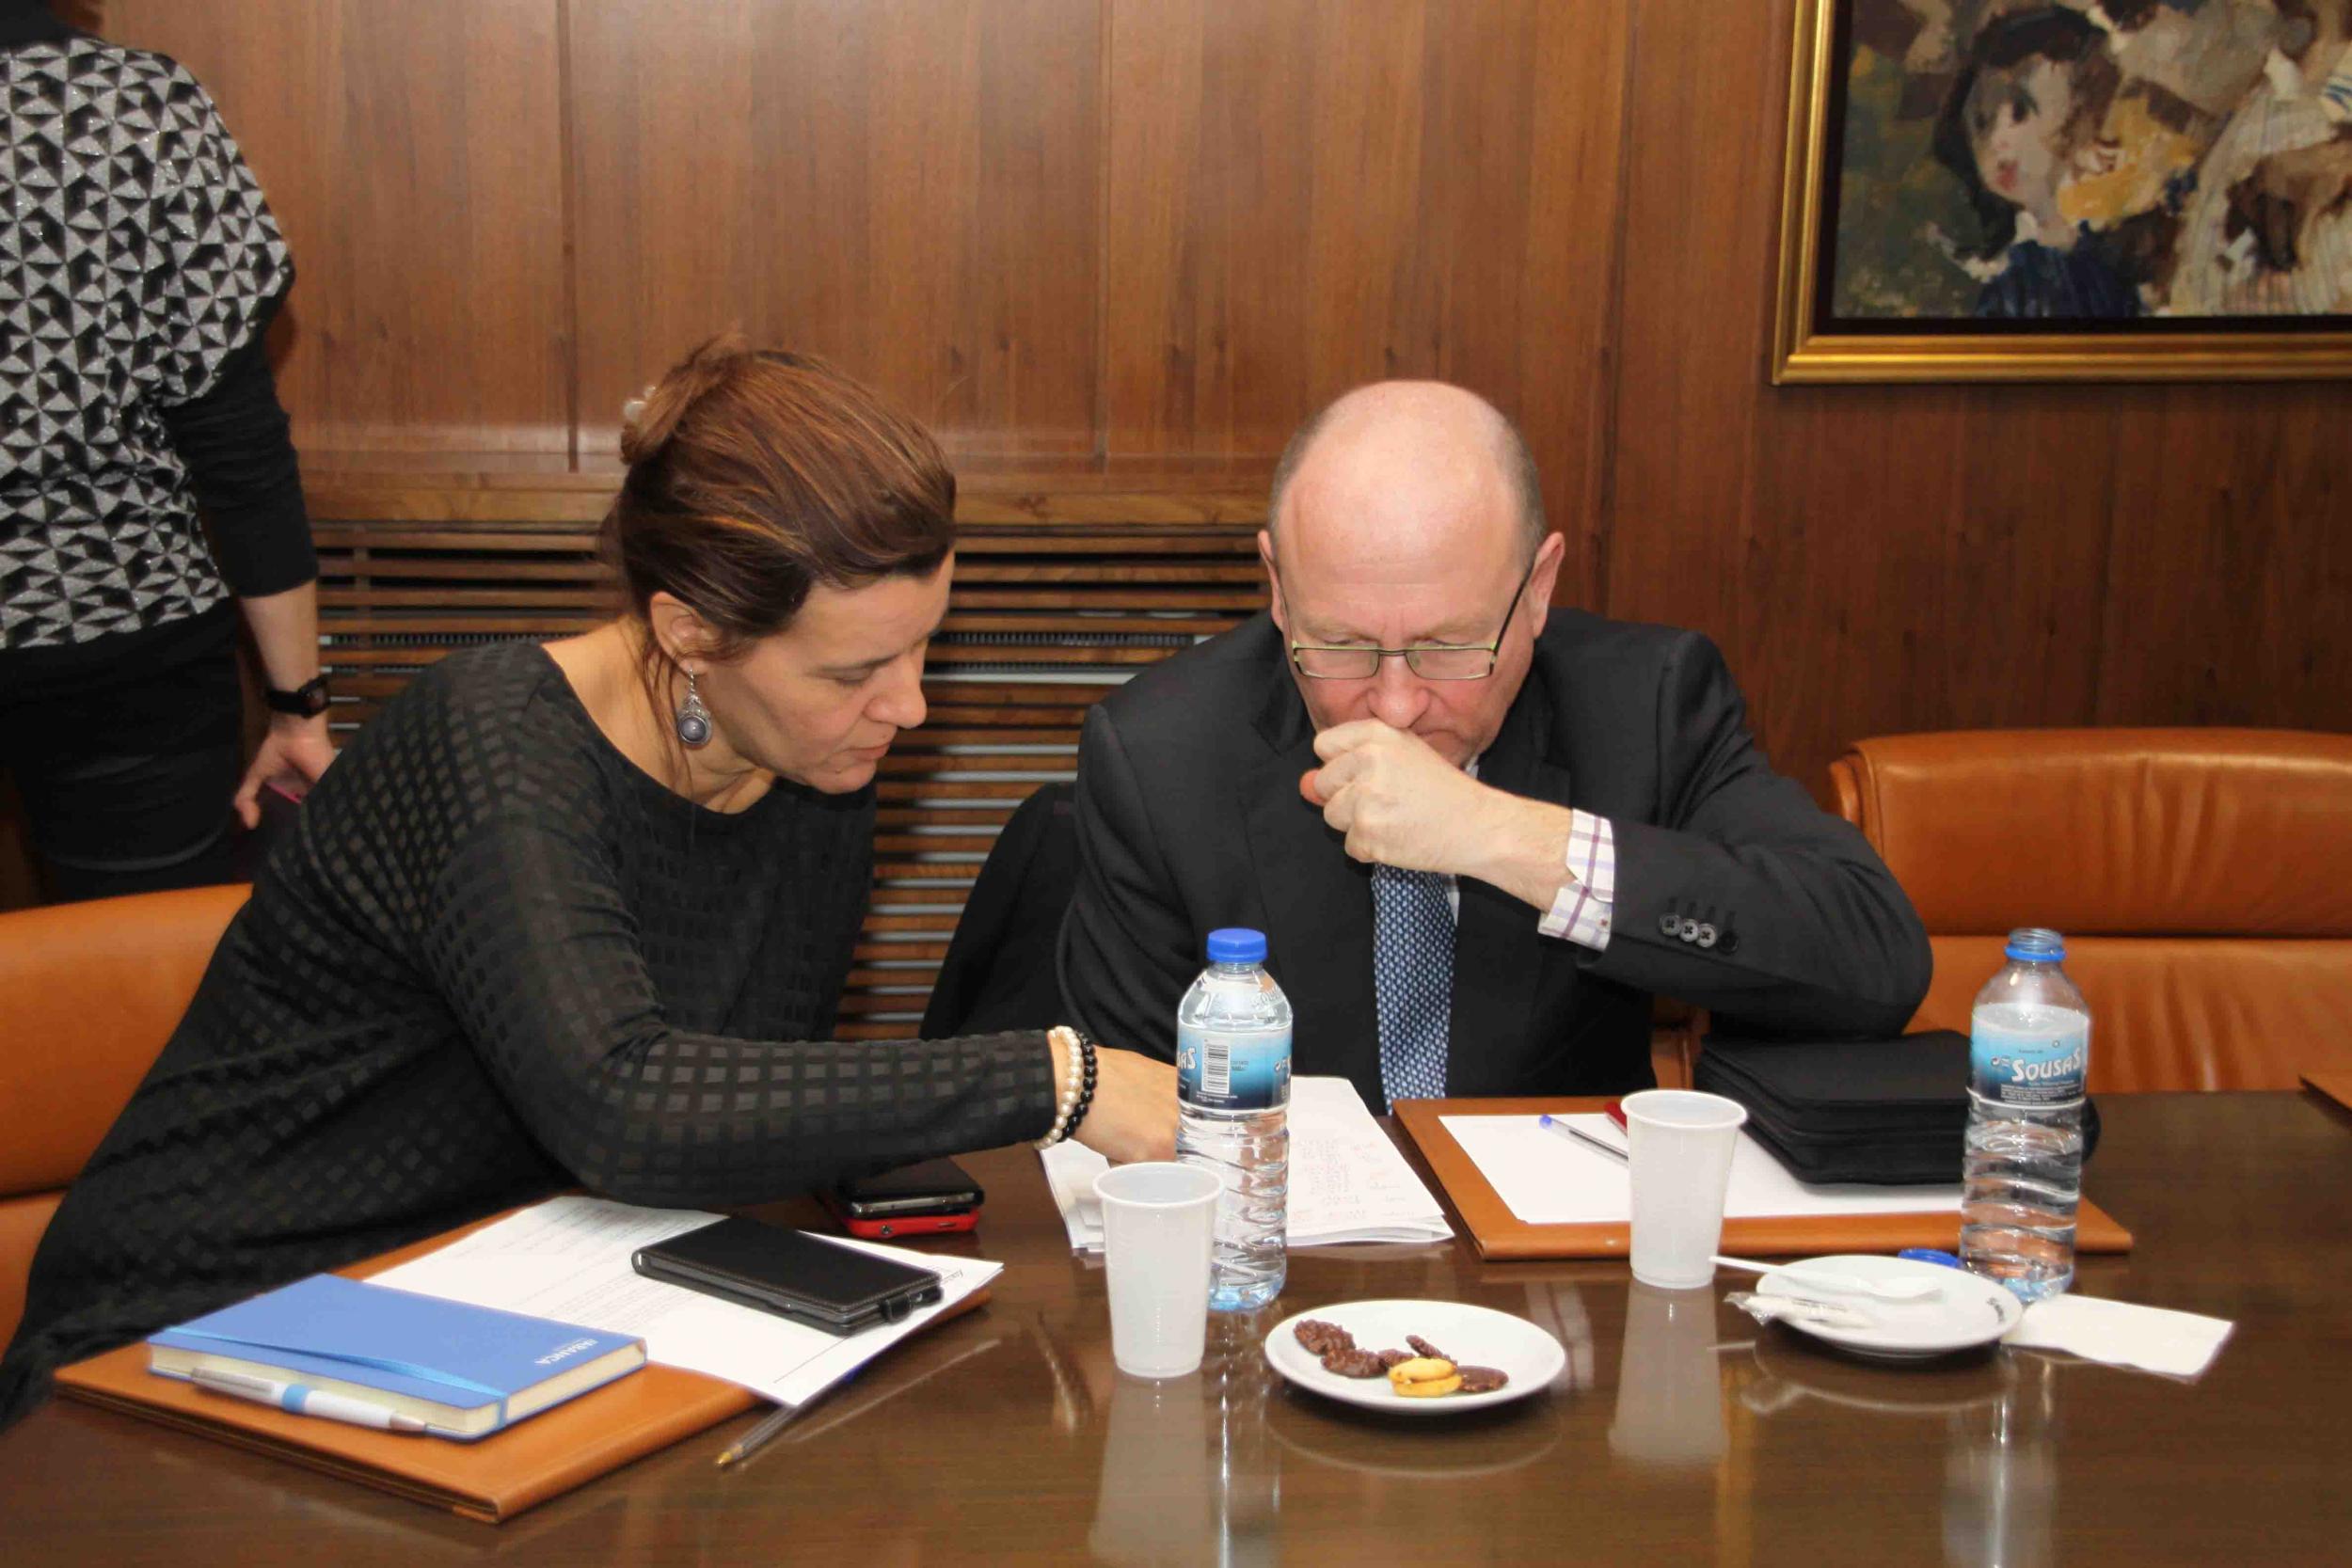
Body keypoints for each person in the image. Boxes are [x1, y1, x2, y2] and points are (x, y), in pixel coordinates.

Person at [0, 338, 1176, 1430]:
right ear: (687, 629)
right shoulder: (497, 745)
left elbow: (740, 1104)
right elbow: (626, 1104)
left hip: (507, 1313)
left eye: (925, 645)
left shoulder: (813, 754)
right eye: (858, 668)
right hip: (215, 1317)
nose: (908, 705)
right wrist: (1058, 1076)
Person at [1057, 381, 1932, 1115]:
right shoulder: (1163, 754)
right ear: (1279, 592)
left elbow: (1873, 962)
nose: (1396, 703)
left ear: (1539, 588)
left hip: (1561, 1268)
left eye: (1448, 647)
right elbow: (1126, 1120)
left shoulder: (1648, 704)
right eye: (1342, 644)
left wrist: (1500, 836)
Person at [0, 2, 335, 902]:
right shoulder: (131, 105)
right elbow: (235, 441)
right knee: (139, 1002)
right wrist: (299, 703)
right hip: (119, 641)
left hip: (123, 672)